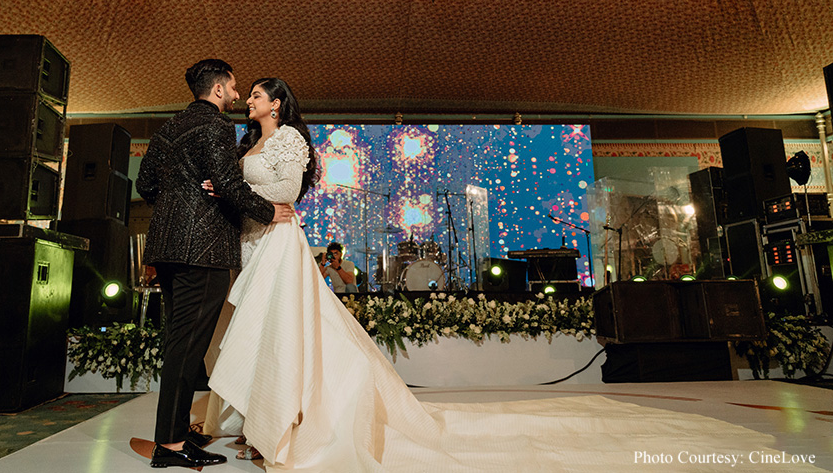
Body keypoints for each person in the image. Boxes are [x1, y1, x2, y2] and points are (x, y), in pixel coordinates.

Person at [205, 78, 802, 471]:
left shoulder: (289, 142)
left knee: (284, 333)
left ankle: (284, 420)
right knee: (264, 334)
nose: (249, 98)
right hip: (255, 245)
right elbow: (250, 193)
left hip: (278, 243)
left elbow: (284, 192)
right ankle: (262, 417)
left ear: (277, 103)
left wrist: (241, 192)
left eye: (256, 93)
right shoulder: (244, 142)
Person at [136, 59, 294, 469]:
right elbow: (226, 183)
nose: (239, 96)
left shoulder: (169, 127)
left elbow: (145, 185)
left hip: (166, 247)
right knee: (188, 349)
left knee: (178, 344)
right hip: (202, 250)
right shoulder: (217, 126)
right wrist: (267, 210)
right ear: (219, 89)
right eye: (236, 88)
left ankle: (172, 438)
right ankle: (169, 446)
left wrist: (177, 207)